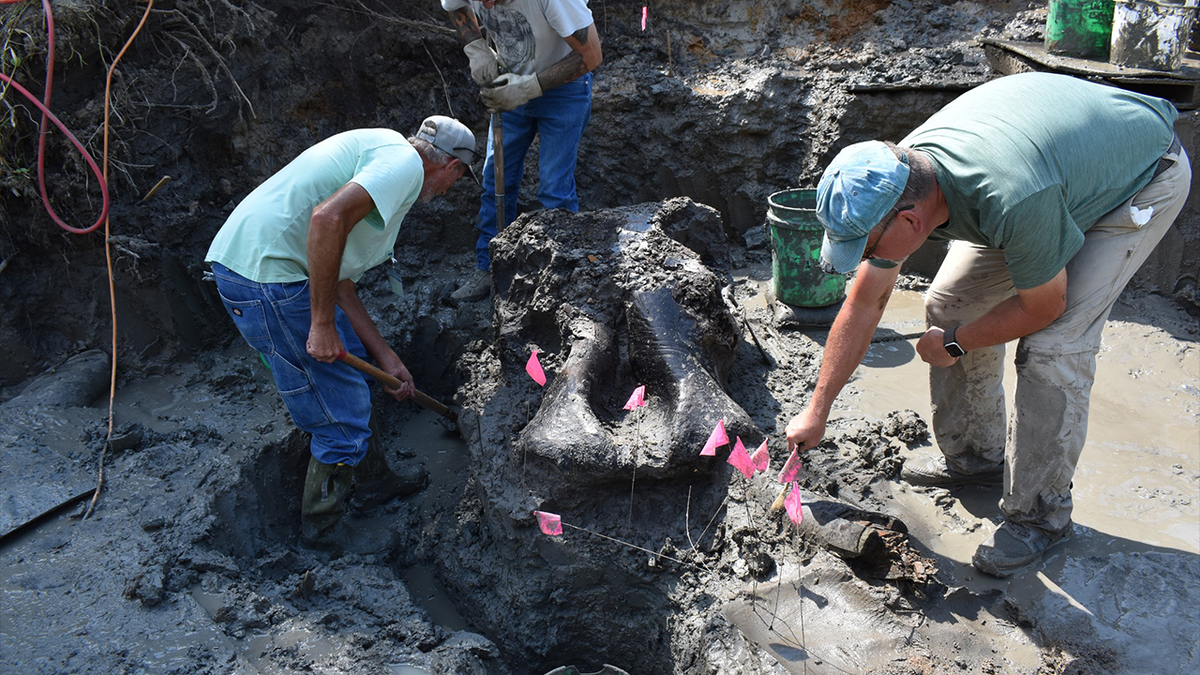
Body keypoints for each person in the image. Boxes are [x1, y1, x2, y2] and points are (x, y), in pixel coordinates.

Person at [784, 72, 1189, 577]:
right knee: (951, 302)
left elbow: (1044, 307)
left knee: (1051, 347)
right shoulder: (896, 177)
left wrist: (955, 344)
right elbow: (865, 303)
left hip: (1139, 176)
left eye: (864, 248)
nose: (864, 260)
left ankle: (1041, 516)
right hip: (1049, 172)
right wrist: (816, 410)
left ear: (911, 222)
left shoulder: (1010, 197)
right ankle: (975, 458)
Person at [205, 116, 478, 553]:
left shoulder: (385, 154)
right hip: (267, 279)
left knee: (349, 377)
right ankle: (324, 533)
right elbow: (326, 219)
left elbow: (340, 277)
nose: (448, 191)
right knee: (340, 412)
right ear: (451, 167)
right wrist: (321, 324)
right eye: (456, 181)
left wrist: (384, 355)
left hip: (270, 270)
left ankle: (372, 483)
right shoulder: (404, 165)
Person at [442, 0, 602, 301]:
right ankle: (488, 268)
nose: (486, 5)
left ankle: (560, 279)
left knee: (555, 189)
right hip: (509, 80)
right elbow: (454, 6)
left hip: (565, 91)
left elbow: (591, 55)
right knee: (495, 181)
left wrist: (527, 89)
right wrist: (476, 48)